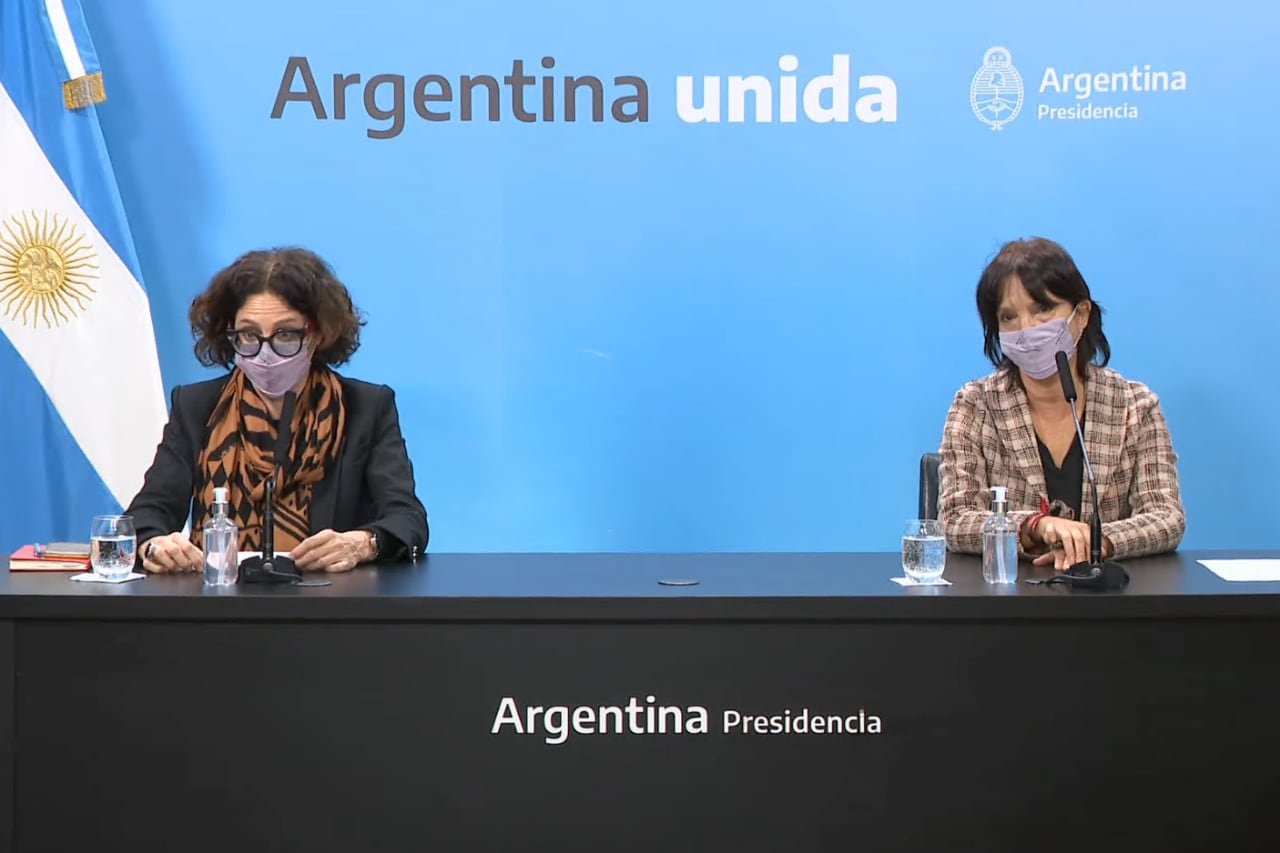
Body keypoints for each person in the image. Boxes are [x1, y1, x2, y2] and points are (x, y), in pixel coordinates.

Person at [126, 247, 428, 573]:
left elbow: (407, 520)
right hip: (217, 606)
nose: (265, 353)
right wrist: (155, 545)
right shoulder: (197, 406)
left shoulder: (366, 408)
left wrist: (362, 543)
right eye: (248, 335)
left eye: (285, 334)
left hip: (331, 607)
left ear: (318, 333)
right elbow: (146, 516)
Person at [937, 237, 1185, 571]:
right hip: (1007, 604)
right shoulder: (976, 405)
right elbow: (954, 519)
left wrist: (1093, 542)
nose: (1026, 329)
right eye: (1009, 317)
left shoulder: (1135, 406)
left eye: (1043, 309)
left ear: (1081, 315)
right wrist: (1034, 526)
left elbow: (1166, 517)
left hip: (1112, 606)